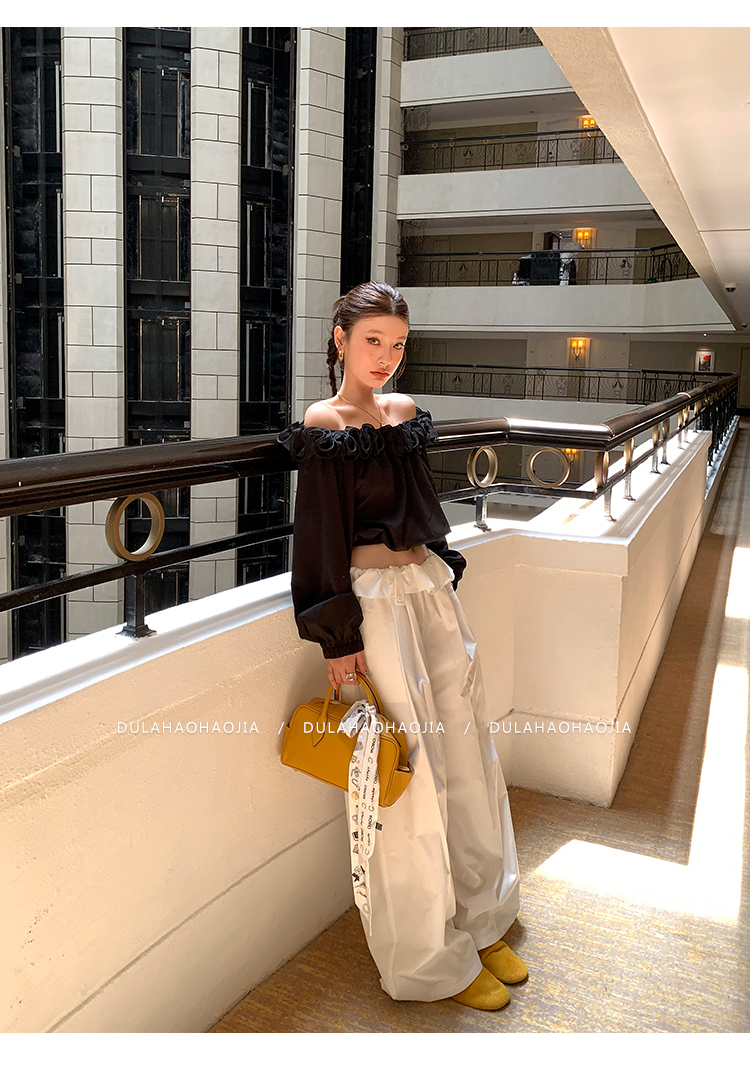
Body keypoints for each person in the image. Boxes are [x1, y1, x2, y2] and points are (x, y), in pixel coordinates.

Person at [277, 281, 525, 1011]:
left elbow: (425, 509)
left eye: (397, 344)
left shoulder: (406, 414)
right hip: (374, 608)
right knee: (407, 776)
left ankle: (480, 918)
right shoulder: (326, 423)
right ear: (340, 340)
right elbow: (319, 535)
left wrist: (442, 573)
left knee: (468, 755)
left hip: (429, 594)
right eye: (372, 341)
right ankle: (427, 956)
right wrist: (336, 636)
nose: (385, 357)